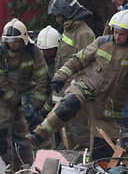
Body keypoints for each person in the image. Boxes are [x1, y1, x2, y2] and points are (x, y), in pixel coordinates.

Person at [29, 11, 128, 161]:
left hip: (108, 109)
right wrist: (60, 76)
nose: (117, 37)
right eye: (115, 32)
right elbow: (78, 60)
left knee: (102, 155)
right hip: (86, 88)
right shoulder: (102, 43)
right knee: (69, 104)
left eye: (122, 34)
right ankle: (38, 135)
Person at [0, 19, 48, 169]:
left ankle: (25, 168)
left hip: (25, 96)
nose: (12, 44)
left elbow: (42, 78)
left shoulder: (34, 52)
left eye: (15, 41)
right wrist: (13, 99)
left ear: (23, 39)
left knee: (23, 136)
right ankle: (3, 169)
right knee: (0, 134)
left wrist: (35, 104)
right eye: (9, 41)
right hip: (1, 99)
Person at [48, 0, 95, 148]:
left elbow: (87, 65)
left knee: (81, 134)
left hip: (77, 95)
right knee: (68, 133)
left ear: (67, 14)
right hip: (67, 93)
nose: (57, 19)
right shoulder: (69, 31)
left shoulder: (84, 34)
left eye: (59, 15)